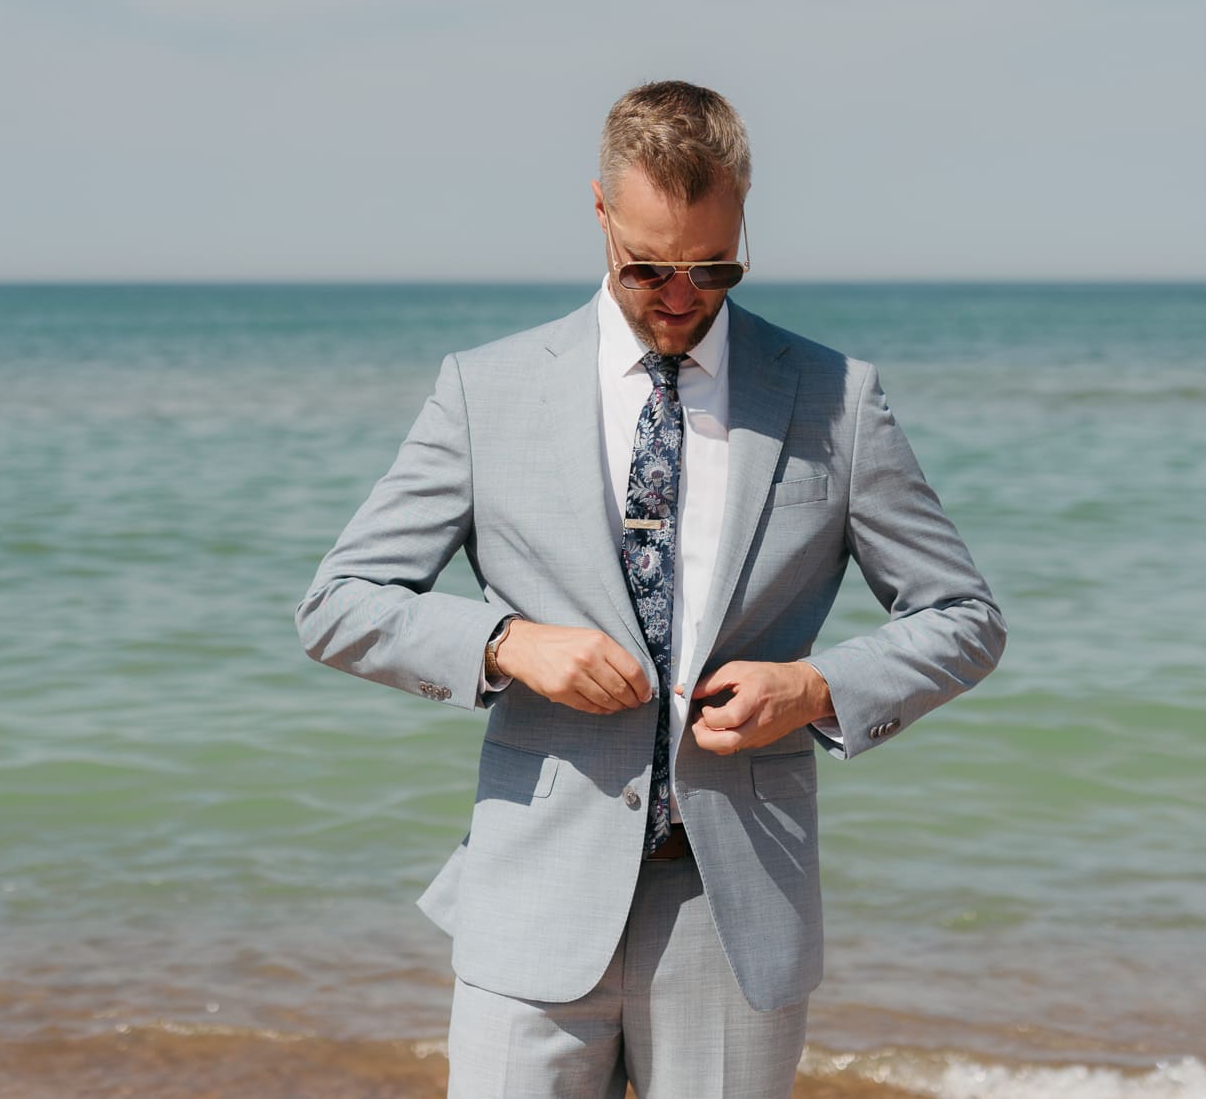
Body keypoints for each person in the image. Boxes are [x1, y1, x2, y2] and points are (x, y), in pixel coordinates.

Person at [295, 80, 1006, 1098]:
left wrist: (812, 690)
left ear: (745, 220)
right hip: (529, 901)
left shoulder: (834, 400)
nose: (680, 296)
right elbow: (339, 603)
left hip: (733, 913)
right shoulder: (481, 391)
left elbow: (963, 619)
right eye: (648, 269)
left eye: (712, 267)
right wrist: (505, 644)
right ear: (597, 212)